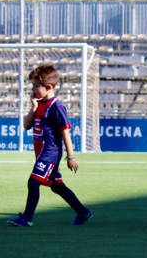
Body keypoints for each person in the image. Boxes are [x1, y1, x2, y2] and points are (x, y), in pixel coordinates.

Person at [8, 66, 92, 227]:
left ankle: (27, 218)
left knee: (33, 183)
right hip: (42, 153)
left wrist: (71, 156)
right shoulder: (39, 104)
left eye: (35, 86)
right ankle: (83, 212)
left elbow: (65, 132)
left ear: (49, 87)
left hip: (50, 152)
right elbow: (26, 125)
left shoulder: (56, 107)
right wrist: (32, 108)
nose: (32, 90)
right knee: (57, 187)